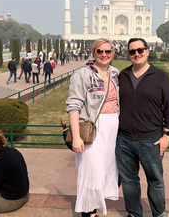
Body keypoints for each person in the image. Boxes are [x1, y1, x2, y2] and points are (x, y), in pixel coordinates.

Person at [116, 38, 169, 217]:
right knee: (128, 181)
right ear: (128, 54)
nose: (137, 54)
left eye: (140, 50)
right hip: (124, 139)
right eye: (132, 51)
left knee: (155, 180)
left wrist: (167, 134)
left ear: (147, 51)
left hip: (151, 139)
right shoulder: (123, 76)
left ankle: (159, 213)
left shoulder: (160, 75)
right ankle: (134, 213)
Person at [66, 38, 120, 217]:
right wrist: (76, 136)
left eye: (108, 51)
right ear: (93, 52)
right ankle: (88, 212)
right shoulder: (83, 74)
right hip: (92, 129)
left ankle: (95, 208)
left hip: (112, 130)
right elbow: (74, 106)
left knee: (105, 170)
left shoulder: (115, 73)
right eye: (100, 51)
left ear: (113, 53)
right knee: (91, 172)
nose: (104, 55)